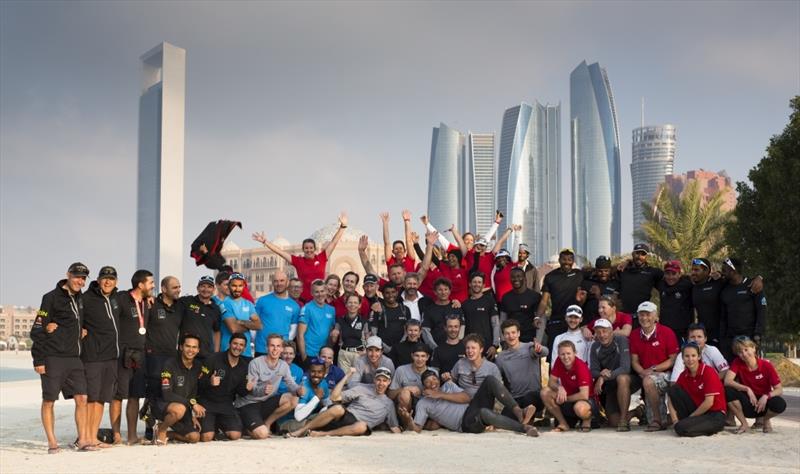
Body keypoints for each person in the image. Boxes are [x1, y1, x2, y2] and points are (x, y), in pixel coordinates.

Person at [31, 262, 94, 453]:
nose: (80, 281)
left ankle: (83, 440)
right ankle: (52, 443)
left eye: (83, 278)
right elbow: (38, 329)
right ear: (68, 275)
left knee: (82, 397)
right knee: (49, 400)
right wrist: (38, 360)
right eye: (77, 276)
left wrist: (79, 331)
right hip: (53, 357)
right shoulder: (50, 298)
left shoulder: (80, 298)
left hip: (75, 358)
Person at [398, 369, 538, 437]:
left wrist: (440, 394)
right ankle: (524, 428)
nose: (432, 383)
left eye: (434, 379)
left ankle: (518, 411)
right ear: (424, 386)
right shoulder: (424, 403)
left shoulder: (448, 386)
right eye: (428, 382)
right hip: (465, 424)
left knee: (489, 380)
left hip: (471, 407)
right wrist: (408, 420)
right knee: (483, 413)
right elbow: (417, 429)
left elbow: (466, 398)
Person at [251, 212, 348, 303]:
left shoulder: (322, 258)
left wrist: (342, 227)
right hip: (303, 301)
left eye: (311, 248)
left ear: (314, 249)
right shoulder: (298, 261)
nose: (309, 250)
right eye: (306, 248)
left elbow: (333, 242)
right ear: (303, 249)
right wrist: (265, 242)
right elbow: (280, 252)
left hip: (320, 300)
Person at [287, 366, 401, 437]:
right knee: (337, 408)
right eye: (378, 380)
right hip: (345, 416)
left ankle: (322, 434)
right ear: (374, 380)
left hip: (357, 426)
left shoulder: (389, 404)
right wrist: (347, 375)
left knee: (362, 426)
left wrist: (408, 420)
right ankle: (301, 431)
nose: (381, 383)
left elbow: (395, 427)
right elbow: (334, 397)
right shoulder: (362, 388)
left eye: (384, 381)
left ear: (389, 382)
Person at [80, 265, 122, 449]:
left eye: (111, 279)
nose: (107, 282)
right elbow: (74, 318)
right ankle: (86, 437)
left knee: (101, 399)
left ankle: (94, 437)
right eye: (104, 278)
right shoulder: (86, 299)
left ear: (116, 282)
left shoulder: (116, 298)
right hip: (93, 357)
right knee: (91, 398)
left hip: (111, 357)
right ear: (98, 280)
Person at [112, 269, 154, 445]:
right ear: (140, 284)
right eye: (150, 283)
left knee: (135, 396)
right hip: (122, 354)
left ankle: (131, 436)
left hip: (140, 354)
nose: (153, 286)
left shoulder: (147, 302)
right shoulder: (122, 299)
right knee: (117, 396)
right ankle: (116, 436)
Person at [235, 334, 304, 438]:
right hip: (249, 404)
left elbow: (291, 383)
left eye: (278, 346)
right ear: (266, 347)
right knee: (262, 434)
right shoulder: (255, 363)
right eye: (272, 345)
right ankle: (246, 425)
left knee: (293, 398)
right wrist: (263, 389)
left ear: (281, 349)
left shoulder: (283, 365)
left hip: (265, 402)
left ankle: (267, 424)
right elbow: (251, 389)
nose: (275, 349)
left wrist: (298, 389)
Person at [629, 301, 679, 431]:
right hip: (648, 376)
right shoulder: (634, 335)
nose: (644, 318)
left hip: (668, 375)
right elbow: (634, 361)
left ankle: (657, 419)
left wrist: (653, 370)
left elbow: (672, 359)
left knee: (648, 381)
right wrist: (644, 372)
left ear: (656, 317)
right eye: (641, 315)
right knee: (648, 380)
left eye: (648, 314)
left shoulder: (667, 332)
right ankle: (660, 420)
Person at [144, 276, 184, 439]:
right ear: (164, 289)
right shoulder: (151, 305)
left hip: (172, 358)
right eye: (174, 287)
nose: (178, 290)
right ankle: (148, 425)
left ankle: (165, 423)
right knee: (151, 394)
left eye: (179, 286)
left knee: (167, 392)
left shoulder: (180, 306)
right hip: (153, 357)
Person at [724, 336, 786, 433]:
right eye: (740, 352)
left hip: (763, 405)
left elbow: (779, 389)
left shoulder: (766, 365)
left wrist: (766, 396)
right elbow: (727, 381)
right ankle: (744, 424)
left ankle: (765, 420)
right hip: (748, 404)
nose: (744, 354)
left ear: (753, 348)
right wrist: (747, 389)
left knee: (780, 403)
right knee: (728, 391)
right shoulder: (737, 362)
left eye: (746, 349)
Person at [152, 333, 205, 445]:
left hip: (184, 408)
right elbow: (167, 394)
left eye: (194, 347)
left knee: (194, 437)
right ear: (181, 347)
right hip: (162, 405)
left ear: (198, 350)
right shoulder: (169, 364)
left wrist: (192, 415)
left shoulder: (198, 366)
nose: (191, 350)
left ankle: (167, 433)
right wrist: (192, 404)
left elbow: (193, 393)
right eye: (187, 346)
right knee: (179, 409)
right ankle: (162, 430)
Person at [197, 333, 249, 442]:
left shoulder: (244, 365)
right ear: (229, 344)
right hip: (207, 403)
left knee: (235, 435)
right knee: (206, 437)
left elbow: (242, 392)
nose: (237, 347)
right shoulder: (213, 359)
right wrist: (210, 382)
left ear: (244, 348)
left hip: (226, 405)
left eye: (241, 345)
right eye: (235, 343)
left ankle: (217, 425)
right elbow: (198, 383)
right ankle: (212, 427)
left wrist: (248, 388)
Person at [667, 343, 727, 437]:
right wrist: (675, 420)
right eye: (686, 356)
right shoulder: (684, 375)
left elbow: (709, 402)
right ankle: (688, 424)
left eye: (693, 355)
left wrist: (690, 418)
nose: (690, 359)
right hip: (698, 411)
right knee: (673, 390)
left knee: (681, 428)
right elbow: (671, 396)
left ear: (699, 356)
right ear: (682, 358)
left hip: (714, 415)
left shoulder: (708, 372)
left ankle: (708, 428)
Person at [495, 319, 549, 421]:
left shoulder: (529, 347)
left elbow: (545, 352)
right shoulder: (501, 357)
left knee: (529, 399)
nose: (511, 336)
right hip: (515, 398)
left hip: (534, 396)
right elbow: (497, 378)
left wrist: (539, 349)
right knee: (504, 419)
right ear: (503, 336)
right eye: (507, 334)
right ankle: (526, 420)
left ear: (518, 333)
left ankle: (528, 421)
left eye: (513, 332)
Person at [589, 318, 637, 431]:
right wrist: (601, 375)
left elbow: (625, 368)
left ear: (611, 331)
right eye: (598, 332)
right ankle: (637, 411)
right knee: (613, 422)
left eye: (605, 331)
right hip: (611, 385)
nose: (602, 335)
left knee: (622, 378)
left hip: (630, 380)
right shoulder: (595, 346)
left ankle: (624, 420)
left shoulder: (621, 340)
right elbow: (593, 370)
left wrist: (604, 377)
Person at [536, 248, 582, 354]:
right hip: (556, 321)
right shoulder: (550, 277)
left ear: (573, 261)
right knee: (554, 353)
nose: (567, 262)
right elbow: (544, 301)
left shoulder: (580, 274)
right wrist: (538, 316)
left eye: (569, 259)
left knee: (575, 353)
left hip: (574, 321)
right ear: (559, 260)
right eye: (564, 259)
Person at [541, 340, 595, 432]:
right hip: (568, 399)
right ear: (558, 355)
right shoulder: (559, 361)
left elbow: (584, 395)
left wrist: (564, 399)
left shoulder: (580, 366)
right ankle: (563, 423)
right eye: (562, 354)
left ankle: (588, 419)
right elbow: (551, 382)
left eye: (568, 353)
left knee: (580, 408)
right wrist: (559, 387)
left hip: (585, 401)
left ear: (575, 353)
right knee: (545, 392)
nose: (566, 357)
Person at [719, 258, 767, 361]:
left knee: (750, 369)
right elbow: (723, 317)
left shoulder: (752, 285)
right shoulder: (724, 289)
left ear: (733, 271)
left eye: (724, 270)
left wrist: (758, 334)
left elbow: (761, 311)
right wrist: (722, 339)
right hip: (730, 339)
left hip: (749, 338)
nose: (722, 273)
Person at [254, 271, 300, 356]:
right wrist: (255, 340)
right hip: (262, 349)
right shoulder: (262, 301)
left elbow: (293, 330)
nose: (279, 283)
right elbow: (253, 322)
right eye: (276, 281)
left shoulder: (294, 306)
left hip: (281, 351)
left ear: (287, 283)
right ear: (272, 283)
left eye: (282, 280)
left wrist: (283, 343)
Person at [220, 273, 262, 357]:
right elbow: (233, 329)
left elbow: (259, 325)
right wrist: (250, 325)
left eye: (240, 286)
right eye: (234, 286)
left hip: (246, 353)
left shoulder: (248, 304)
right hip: (228, 352)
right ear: (229, 286)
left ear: (243, 286)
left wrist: (241, 322)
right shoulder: (224, 304)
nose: (237, 289)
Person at [617, 243, 663, 321]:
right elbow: (606, 271)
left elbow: (670, 277)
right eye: (637, 253)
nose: (639, 256)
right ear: (632, 254)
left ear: (646, 256)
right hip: (622, 316)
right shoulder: (622, 270)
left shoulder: (653, 272)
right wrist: (627, 262)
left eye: (643, 254)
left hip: (641, 316)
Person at [180, 276, 222, 360]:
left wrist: (216, 353)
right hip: (186, 352)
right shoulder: (187, 301)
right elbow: (170, 299)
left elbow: (217, 331)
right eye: (203, 286)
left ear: (213, 290)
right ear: (197, 288)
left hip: (205, 354)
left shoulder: (216, 308)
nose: (206, 289)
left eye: (209, 287)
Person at [389, 343, 437, 414]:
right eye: (417, 356)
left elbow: (438, 395)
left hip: (427, 405)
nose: (420, 359)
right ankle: (405, 422)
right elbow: (390, 395)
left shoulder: (433, 372)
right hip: (407, 406)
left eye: (423, 356)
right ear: (412, 356)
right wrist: (406, 388)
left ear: (428, 357)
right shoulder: (401, 370)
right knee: (405, 394)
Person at [461, 272, 500, 358]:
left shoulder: (490, 301)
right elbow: (462, 328)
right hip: (470, 348)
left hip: (488, 347)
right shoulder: (464, 304)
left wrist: (495, 345)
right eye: (474, 282)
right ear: (470, 284)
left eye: (479, 282)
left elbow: (496, 324)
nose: (477, 284)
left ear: (483, 285)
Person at [297, 280, 336, 364]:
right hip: (310, 354)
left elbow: (331, 331)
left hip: (324, 355)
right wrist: (304, 356)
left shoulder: (331, 310)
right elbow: (300, 334)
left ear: (326, 291)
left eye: (322, 291)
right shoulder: (307, 308)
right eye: (316, 292)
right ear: (312, 293)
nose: (320, 294)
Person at [500, 268, 542, 344]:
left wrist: (538, 341)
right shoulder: (506, 297)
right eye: (513, 277)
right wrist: (503, 340)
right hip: (512, 339)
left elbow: (540, 320)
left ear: (525, 278)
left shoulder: (535, 296)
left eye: (519, 276)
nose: (516, 279)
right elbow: (503, 320)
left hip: (530, 340)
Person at [368, 282, 411, 353]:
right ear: (383, 294)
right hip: (382, 350)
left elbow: (408, 330)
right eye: (387, 293)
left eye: (393, 292)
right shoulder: (378, 309)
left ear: (397, 293)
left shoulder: (405, 309)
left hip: (401, 349)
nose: (391, 295)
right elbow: (373, 331)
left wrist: (400, 346)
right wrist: (384, 347)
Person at [576, 255, 620, 323]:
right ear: (596, 270)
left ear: (610, 270)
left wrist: (598, 296)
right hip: (588, 323)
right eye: (600, 271)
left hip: (607, 323)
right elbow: (580, 306)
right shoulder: (587, 282)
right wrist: (580, 300)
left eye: (606, 271)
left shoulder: (614, 284)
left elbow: (614, 306)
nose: (603, 274)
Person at [657, 260, 694, 341]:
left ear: (680, 274)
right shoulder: (661, 284)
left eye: (674, 274)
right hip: (664, 329)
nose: (670, 277)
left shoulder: (688, 285)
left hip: (683, 331)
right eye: (667, 274)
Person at [421, 278, 464, 346]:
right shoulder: (429, 310)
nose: (443, 292)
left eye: (446, 289)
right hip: (435, 348)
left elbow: (462, 327)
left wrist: (456, 344)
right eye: (440, 290)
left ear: (450, 291)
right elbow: (425, 331)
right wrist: (435, 348)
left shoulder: (456, 307)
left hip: (455, 347)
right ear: (435, 292)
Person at [334, 294, 370, 372]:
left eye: (355, 302)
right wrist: (334, 332)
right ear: (346, 305)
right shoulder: (340, 319)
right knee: (344, 380)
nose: (352, 305)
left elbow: (368, 339)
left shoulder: (364, 321)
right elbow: (334, 337)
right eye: (350, 302)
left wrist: (366, 351)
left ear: (359, 305)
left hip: (359, 354)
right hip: (344, 354)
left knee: (357, 380)